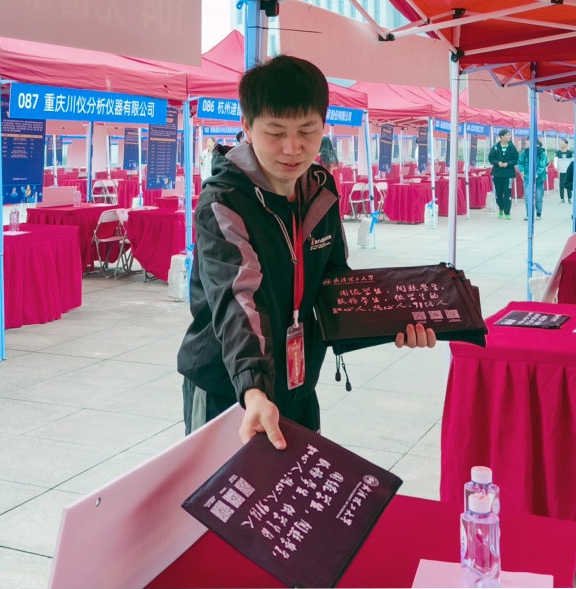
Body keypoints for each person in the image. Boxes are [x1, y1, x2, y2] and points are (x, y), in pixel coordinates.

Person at [177, 54, 436, 449]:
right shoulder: (224, 201)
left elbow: (333, 283)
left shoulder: (321, 188)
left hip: (297, 381)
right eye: (275, 132)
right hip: (229, 389)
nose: (292, 148)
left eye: (307, 130)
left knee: (294, 499)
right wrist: (254, 391)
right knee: (229, 503)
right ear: (246, 127)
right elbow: (237, 300)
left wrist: (395, 318)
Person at [488, 128, 519, 219]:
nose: (509, 136)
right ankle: (501, 208)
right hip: (497, 173)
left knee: (507, 192)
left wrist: (508, 164)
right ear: (502, 136)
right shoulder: (495, 147)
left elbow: (516, 159)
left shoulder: (512, 147)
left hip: (508, 174)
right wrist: (498, 163)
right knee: (498, 192)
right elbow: (491, 158)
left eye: (509, 135)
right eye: (507, 135)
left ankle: (507, 212)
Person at [557, 138, 575, 203]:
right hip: (561, 171)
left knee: (568, 184)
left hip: (568, 171)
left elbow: (572, 162)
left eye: (562, 142)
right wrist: (557, 170)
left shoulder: (570, 153)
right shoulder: (557, 153)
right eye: (560, 142)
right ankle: (562, 198)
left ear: (566, 144)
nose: (560, 143)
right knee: (561, 185)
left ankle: (569, 198)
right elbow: (556, 162)